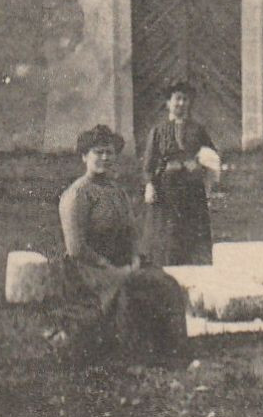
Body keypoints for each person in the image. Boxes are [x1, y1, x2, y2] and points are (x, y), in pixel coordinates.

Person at [57, 125, 188, 363]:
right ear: (84, 156)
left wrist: (135, 259)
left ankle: (175, 353)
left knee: (167, 284)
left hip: (124, 261)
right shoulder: (76, 195)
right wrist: (112, 269)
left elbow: (132, 234)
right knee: (129, 287)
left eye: (109, 152)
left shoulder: (117, 192)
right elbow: (76, 248)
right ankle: (132, 356)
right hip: (90, 268)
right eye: (98, 152)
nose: (105, 158)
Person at [142, 83, 215, 266]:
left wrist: (204, 175)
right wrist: (150, 185)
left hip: (192, 190)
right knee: (167, 233)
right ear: (168, 103)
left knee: (192, 232)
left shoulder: (198, 130)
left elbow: (211, 156)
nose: (181, 103)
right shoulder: (158, 131)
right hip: (167, 190)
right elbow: (149, 161)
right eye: (177, 99)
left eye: (185, 99)